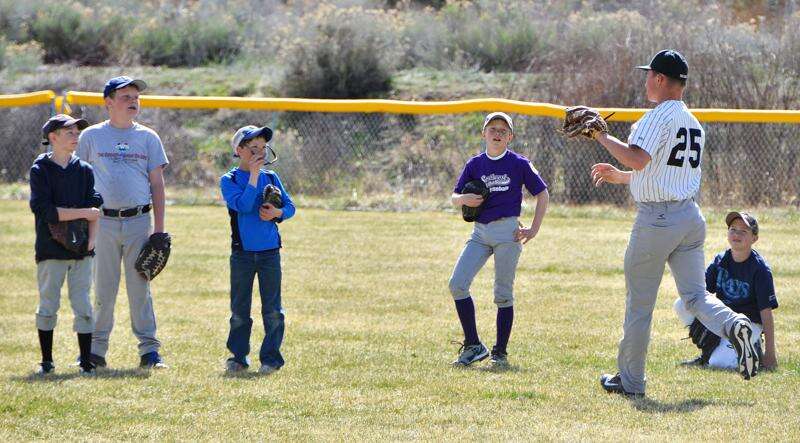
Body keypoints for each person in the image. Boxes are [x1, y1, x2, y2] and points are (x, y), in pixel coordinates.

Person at [589, 49, 760, 397]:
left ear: (661, 79)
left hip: (658, 221)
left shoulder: (656, 116)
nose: (646, 80)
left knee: (639, 303)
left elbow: (639, 159)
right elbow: (659, 173)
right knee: (696, 296)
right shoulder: (692, 122)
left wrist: (600, 136)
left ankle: (630, 381)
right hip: (689, 217)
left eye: (650, 74)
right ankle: (735, 323)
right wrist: (621, 177)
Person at [76, 76, 169, 369]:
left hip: (138, 220)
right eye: (125, 96)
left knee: (140, 287)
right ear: (108, 102)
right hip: (102, 221)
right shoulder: (90, 137)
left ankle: (149, 351)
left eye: (135, 97)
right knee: (103, 288)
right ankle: (95, 350)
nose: (133, 101)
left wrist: (159, 228)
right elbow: (79, 181)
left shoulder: (148, 137)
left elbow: (157, 184)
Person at [448, 112, 549, 369]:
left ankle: (499, 352)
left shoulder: (518, 163)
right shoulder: (475, 164)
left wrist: (534, 229)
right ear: (483, 133)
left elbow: (543, 193)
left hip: (508, 233)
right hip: (480, 233)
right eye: (492, 128)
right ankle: (473, 345)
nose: (497, 133)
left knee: (503, 294)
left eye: (503, 130)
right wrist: (462, 200)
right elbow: (454, 196)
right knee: (457, 284)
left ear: (510, 137)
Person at [29, 114, 102, 374]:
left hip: (82, 249)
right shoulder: (40, 170)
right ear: (53, 137)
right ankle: (47, 362)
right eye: (68, 132)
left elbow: (95, 206)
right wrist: (82, 213)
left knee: (83, 304)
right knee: (48, 304)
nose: (75, 136)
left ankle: (85, 361)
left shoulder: (84, 170)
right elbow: (46, 211)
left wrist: (92, 241)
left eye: (76, 131)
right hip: (50, 249)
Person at [220, 125, 296, 375]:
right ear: (239, 150)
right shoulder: (229, 180)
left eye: (263, 148)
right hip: (242, 254)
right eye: (253, 148)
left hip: (269, 253)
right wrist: (253, 175)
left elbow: (291, 207)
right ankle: (238, 358)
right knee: (240, 311)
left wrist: (278, 213)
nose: (259, 153)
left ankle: (271, 358)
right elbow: (242, 205)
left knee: (273, 310)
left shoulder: (272, 178)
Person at [674, 211, 778, 370]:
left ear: (754, 239)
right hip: (724, 318)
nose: (737, 234)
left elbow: (766, 313)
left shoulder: (760, 269)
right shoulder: (720, 260)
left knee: (719, 363)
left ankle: (754, 346)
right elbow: (700, 293)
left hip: (748, 324)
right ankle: (708, 352)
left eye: (743, 231)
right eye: (733, 229)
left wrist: (770, 353)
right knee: (683, 304)